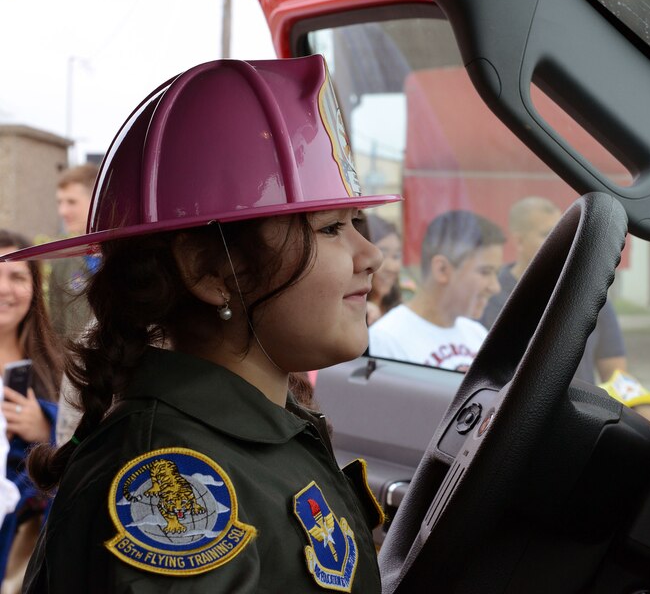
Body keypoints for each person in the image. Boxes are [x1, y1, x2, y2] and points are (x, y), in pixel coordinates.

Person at [4, 56, 400, 593]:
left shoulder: (259, 428)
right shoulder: (173, 485)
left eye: (357, 222)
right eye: (330, 228)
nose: (371, 254)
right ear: (210, 270)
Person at [480, 196, 628, 384]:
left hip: (576, 413)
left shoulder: (592, 293)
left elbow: (616, 374)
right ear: (519, 241)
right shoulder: (489, 295)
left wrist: (640, 405)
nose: (563, 241)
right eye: (548, 234)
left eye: (566, 232)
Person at [0, 231, 61, 591]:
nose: (4, 290)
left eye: (17, 276)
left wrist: (48, 427)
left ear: (35, 288)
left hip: (33, 549)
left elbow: (95, 449)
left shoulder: (62, 368)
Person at [369, 210, 504, 371]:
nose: (495, 287)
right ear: (442, 269)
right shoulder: (386, 339)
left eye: (496, 273)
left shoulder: (477, 334)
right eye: (485, 272)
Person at [49, 163, 100, 342]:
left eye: (71, 202)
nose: (63, 211)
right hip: (80, 367)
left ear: (96, 201)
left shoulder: (127, 255)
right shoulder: (62, 260)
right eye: (60, 202)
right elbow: (57, 331)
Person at [365, 215, 402, 325]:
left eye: (396, 256)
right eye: (382, 255)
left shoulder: (404, 299)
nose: (392, 267)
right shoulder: (349, 312)